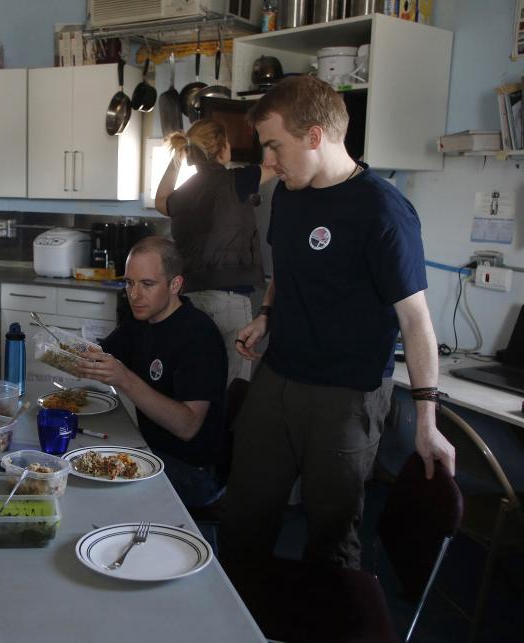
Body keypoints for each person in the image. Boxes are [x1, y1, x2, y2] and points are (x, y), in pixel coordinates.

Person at [219, 76, 456, 570]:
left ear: (314, 136)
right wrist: (266, 315)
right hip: (279, 377)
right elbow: (285, 270)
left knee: (332, 534)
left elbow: (415, 321)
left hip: (346, 397)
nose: (269, 161)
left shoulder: (382, 210)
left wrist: (427, 422)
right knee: (243, 515)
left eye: (274, 145)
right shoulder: (289, 192)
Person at [77, 237, 229, 508]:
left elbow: (188, 426)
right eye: (129, 283)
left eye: (147, 284)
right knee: (76, 453)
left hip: (193, 472)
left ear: (175, 285)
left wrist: (124, 378)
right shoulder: (140, 320)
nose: (134, 295)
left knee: (94, 488)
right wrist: (65, 349)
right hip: (151, 449)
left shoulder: (198, 336)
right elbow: (100, 356)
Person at [155, 120, 276, 385]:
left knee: (198, 386)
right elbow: (274, 165)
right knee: (230, 389)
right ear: (222, 149)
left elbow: (160, 199)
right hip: (229, 302)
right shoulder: (238, 180)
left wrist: (178, 157)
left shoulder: (185, 192)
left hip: (189, 301)